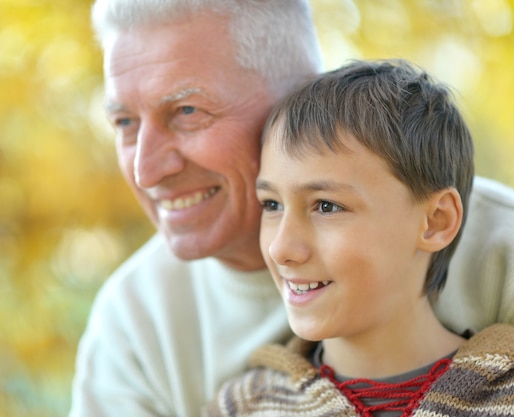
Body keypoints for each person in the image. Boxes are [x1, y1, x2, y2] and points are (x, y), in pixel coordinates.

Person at [70, 0, 514, 416]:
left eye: (187, 111)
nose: (145, 171)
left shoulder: (500, 246)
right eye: (124, 122)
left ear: (302, 96)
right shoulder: (134, 324)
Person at [203, 59, 514, 417]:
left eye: (326, 206)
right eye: (271, 204)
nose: (281, 248)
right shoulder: (242, 407)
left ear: (435, 221)